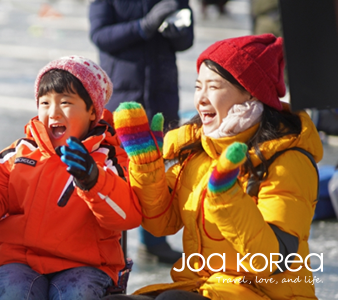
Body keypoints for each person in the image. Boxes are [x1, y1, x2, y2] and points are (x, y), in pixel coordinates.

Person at [105, 34, 321, 300]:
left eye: (214, 87)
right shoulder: (199, 151)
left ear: (250, 92)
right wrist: (147, 166)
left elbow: (274, 260)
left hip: (265, 293)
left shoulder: (288, 160)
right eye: (198, 87)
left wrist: (227, 198)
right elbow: (161, 224)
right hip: (204, 288)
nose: (201, 99)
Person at [0, 56, 142, 299]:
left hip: (86, 265)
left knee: (77, 293)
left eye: (66, 102)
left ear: (93, 111)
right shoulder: (21, 153)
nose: (53, 112)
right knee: (13, 292)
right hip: (19, 261)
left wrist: (93, 180)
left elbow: (127, 215)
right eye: (45, 103)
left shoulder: (109, 158)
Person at [89, 0, 194, 264]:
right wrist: (143, 26)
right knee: (117, 169)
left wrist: (177, 31)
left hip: (162, 93)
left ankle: (154, 240)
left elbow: (187, 40)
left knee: (155, 166)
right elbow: (100, 35)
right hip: (122, 96)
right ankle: (113, 241)